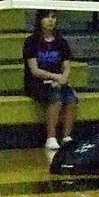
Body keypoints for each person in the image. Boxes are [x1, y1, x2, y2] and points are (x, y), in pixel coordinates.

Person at [22, 10, 79, 150]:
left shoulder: (61, 42)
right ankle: (51, 137)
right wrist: (55, 77)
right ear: (39, 20)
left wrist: (63, 79)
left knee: (71, 98)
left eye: (53, 17)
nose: (50, 20)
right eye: (47, 17)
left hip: (57, 81)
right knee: (56, 97)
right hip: (36, 82)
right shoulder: (31, 41)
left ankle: (66, 137)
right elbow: (35, 71)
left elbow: (66, 67)